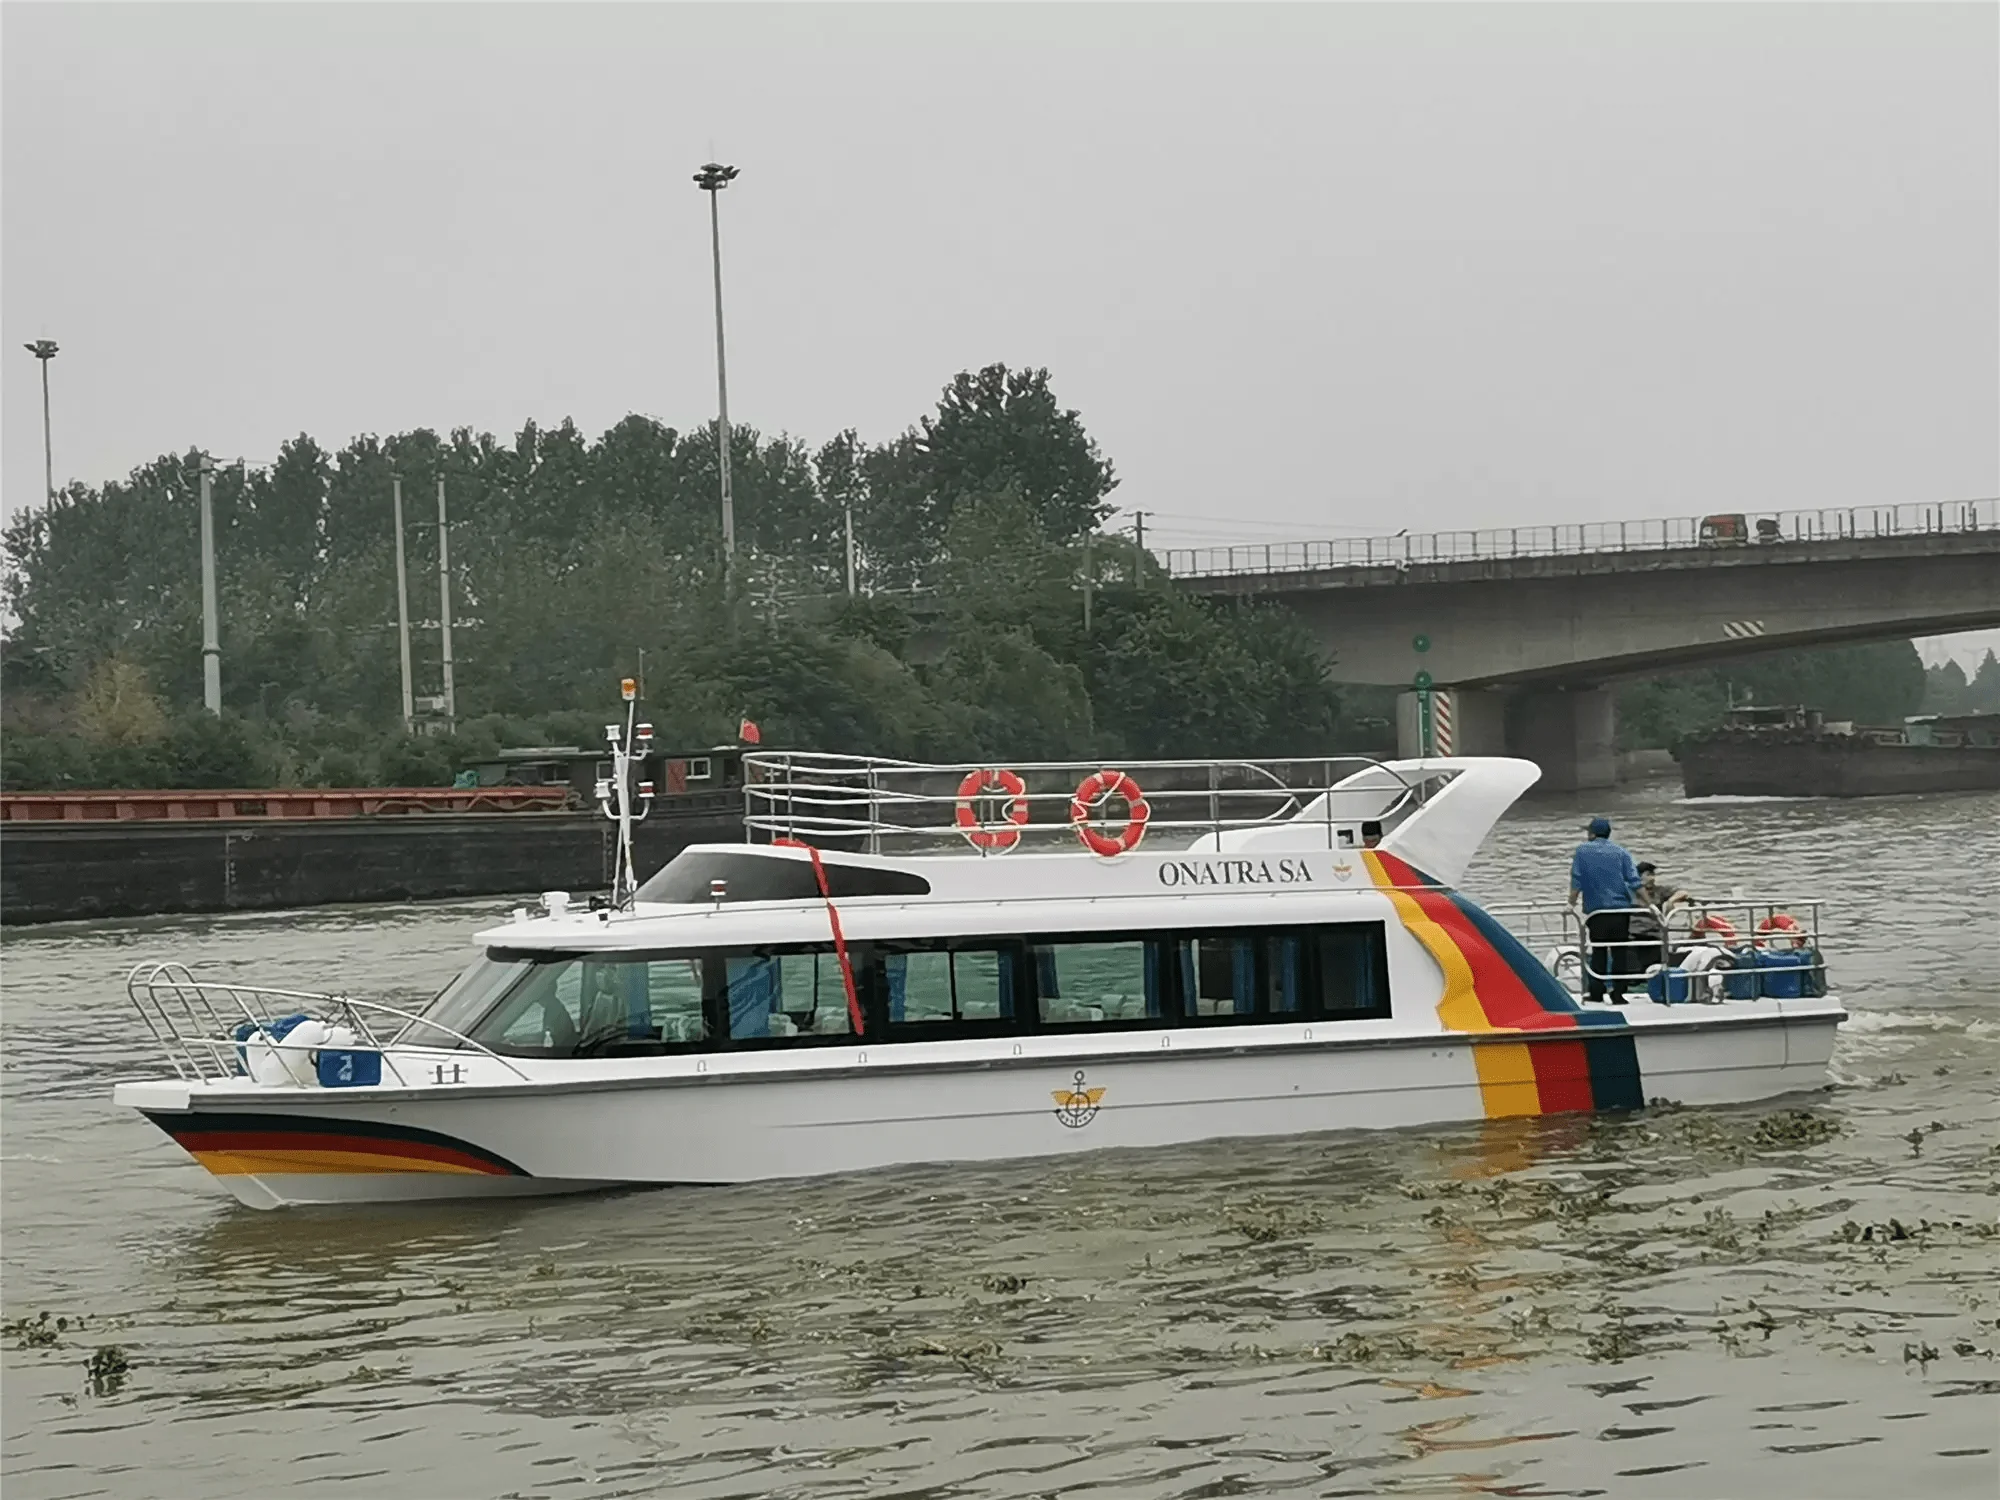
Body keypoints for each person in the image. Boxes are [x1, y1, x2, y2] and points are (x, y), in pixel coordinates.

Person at [1569, 816, 1640, 1004]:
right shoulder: (1621, 852)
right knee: (1619, 952)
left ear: (1592, 833)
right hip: (1620, 911)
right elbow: (1634, 881)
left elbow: (1577, 880)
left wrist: (1570, 904)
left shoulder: (1582, 851)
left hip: (1597, 912)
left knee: (1598, 952)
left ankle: (1596, 992)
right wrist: (1649, 905)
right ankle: (1618, 993)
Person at [1629, 862, 1691, 968]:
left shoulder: (1659, 891)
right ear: (1639, 876)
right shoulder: (1630, 891)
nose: (1652, 878)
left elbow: (1683, 893)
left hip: (1655, 934)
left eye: (1653, 874)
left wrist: (1671, 900)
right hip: (1635, 934)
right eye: (1648, 875)